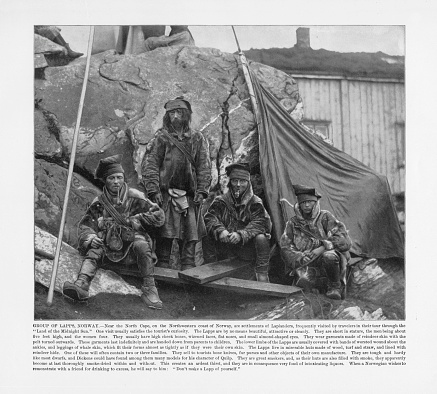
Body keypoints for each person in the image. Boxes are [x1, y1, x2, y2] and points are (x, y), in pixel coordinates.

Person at [62, 155, 165, 309]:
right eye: (112, 178)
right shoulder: (99, 202)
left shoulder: (136, 197)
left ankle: (150, 288)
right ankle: (81, 285)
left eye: (119, 177)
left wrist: (136, 220)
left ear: (123, 178)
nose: (116, 181)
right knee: (95, 248)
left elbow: (159, 216)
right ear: (105, 180)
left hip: (132, 246)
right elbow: (86, 225)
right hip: (109, 246)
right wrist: (91, 238)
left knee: (142, 245)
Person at [141, 97, 211, 270]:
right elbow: (150, 164)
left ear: (186, 114)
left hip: (189, 197)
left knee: (189, 238)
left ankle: (188, 273)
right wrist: (153, 189)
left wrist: (202, 190)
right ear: (167, 115)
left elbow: (204, 165)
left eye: (179, 112)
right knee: (164, 236)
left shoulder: (197, 138)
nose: (176, 116)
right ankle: (163, 275)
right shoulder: (161, 137)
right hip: (166, 195)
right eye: (172, 112)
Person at [279, 184, 352, 300]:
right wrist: (301, 257)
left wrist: (323, 247)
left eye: (310, 201)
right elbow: (285, 247)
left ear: (315, 202)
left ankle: (335, 287)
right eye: (303, 202)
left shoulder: (325, 217)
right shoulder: (292, 224)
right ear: (299, 205)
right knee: (304, 284)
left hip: (326, 258)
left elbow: (344, 240)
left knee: (329, 256)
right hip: (306, 262)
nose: (307, 205)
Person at [204, 163, 272, 282]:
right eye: (235, 181)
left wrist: (242, 234)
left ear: (248, 183)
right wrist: (220, 231)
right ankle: (209, 270)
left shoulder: (255, 202)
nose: (238, 185)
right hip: (226, 246)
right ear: (230, 182)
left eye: (242, 181)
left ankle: (262, 274)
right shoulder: (220, 201)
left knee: (261, 238)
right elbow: (210, 217)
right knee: (207, 232)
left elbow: (261, 223)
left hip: (247, 249)